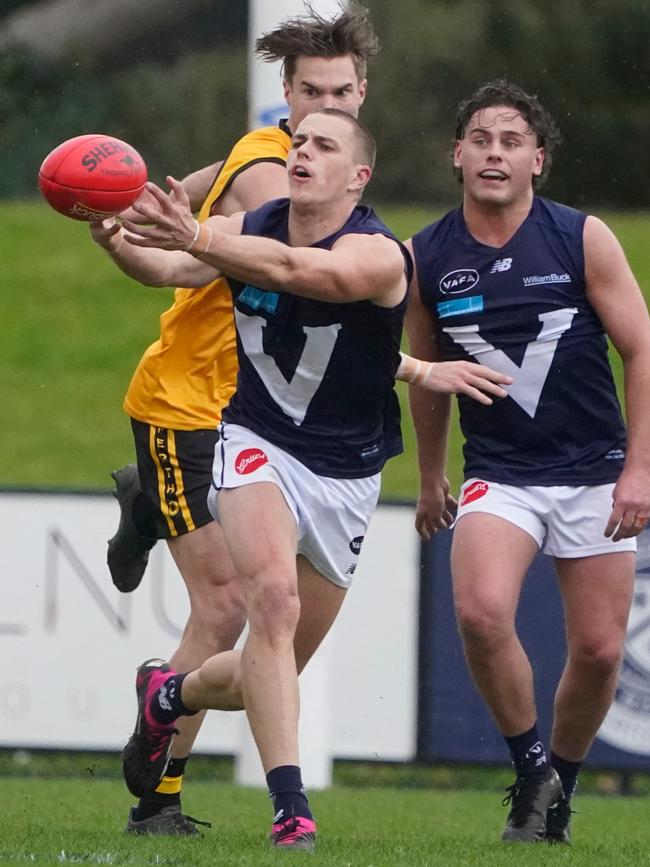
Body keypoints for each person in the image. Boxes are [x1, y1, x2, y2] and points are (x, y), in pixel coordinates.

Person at [101, 2, 507, 835]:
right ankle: (281, 809)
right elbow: (177, 264)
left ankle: (167, 690)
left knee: (267, 658)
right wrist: (114, 237)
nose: (316, 135)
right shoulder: (260, 189)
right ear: (283, 102)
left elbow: (300, 278)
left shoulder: (379, 250)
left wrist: (424, 366)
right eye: (307, 119)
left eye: (339, 113)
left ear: (361, 162)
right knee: (261, 606)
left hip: (346, 469)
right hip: (239, 430)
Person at [405, 79, 650, 844]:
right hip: (500, 474)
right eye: (480, 138)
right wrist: (430, 475)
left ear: (537, 159)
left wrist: (639, 470)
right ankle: (531, 766)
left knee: (601, 647)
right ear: (457, 153)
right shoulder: (427, 254)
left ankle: (559, 794)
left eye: (512, 141)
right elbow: (426, 368)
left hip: (594, 471)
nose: (494, 153)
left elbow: (641, 349)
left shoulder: (581, 237)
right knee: (479, 609)